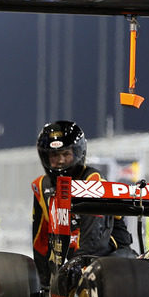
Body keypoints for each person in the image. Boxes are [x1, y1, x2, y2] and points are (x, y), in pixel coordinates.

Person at [31, 120, 134, 286]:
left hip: (108, 258)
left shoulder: (92, 180)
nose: (61, 160)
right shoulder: (41, 187)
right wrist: (43, 283)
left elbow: (95, 241)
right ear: (45, 157)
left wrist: (75, 271)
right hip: (66, 263)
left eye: (66, 154)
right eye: (54, 155)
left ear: (78, 153)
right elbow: (40, 240)